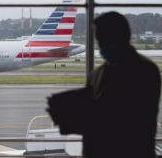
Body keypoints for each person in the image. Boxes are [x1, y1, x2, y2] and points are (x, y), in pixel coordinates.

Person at [47, 11, 161, 158]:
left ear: (120, 37)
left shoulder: (145, 70)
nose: (99, 44)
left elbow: (133, 119)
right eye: (98, 39)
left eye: (103, 39)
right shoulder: (97, 73)